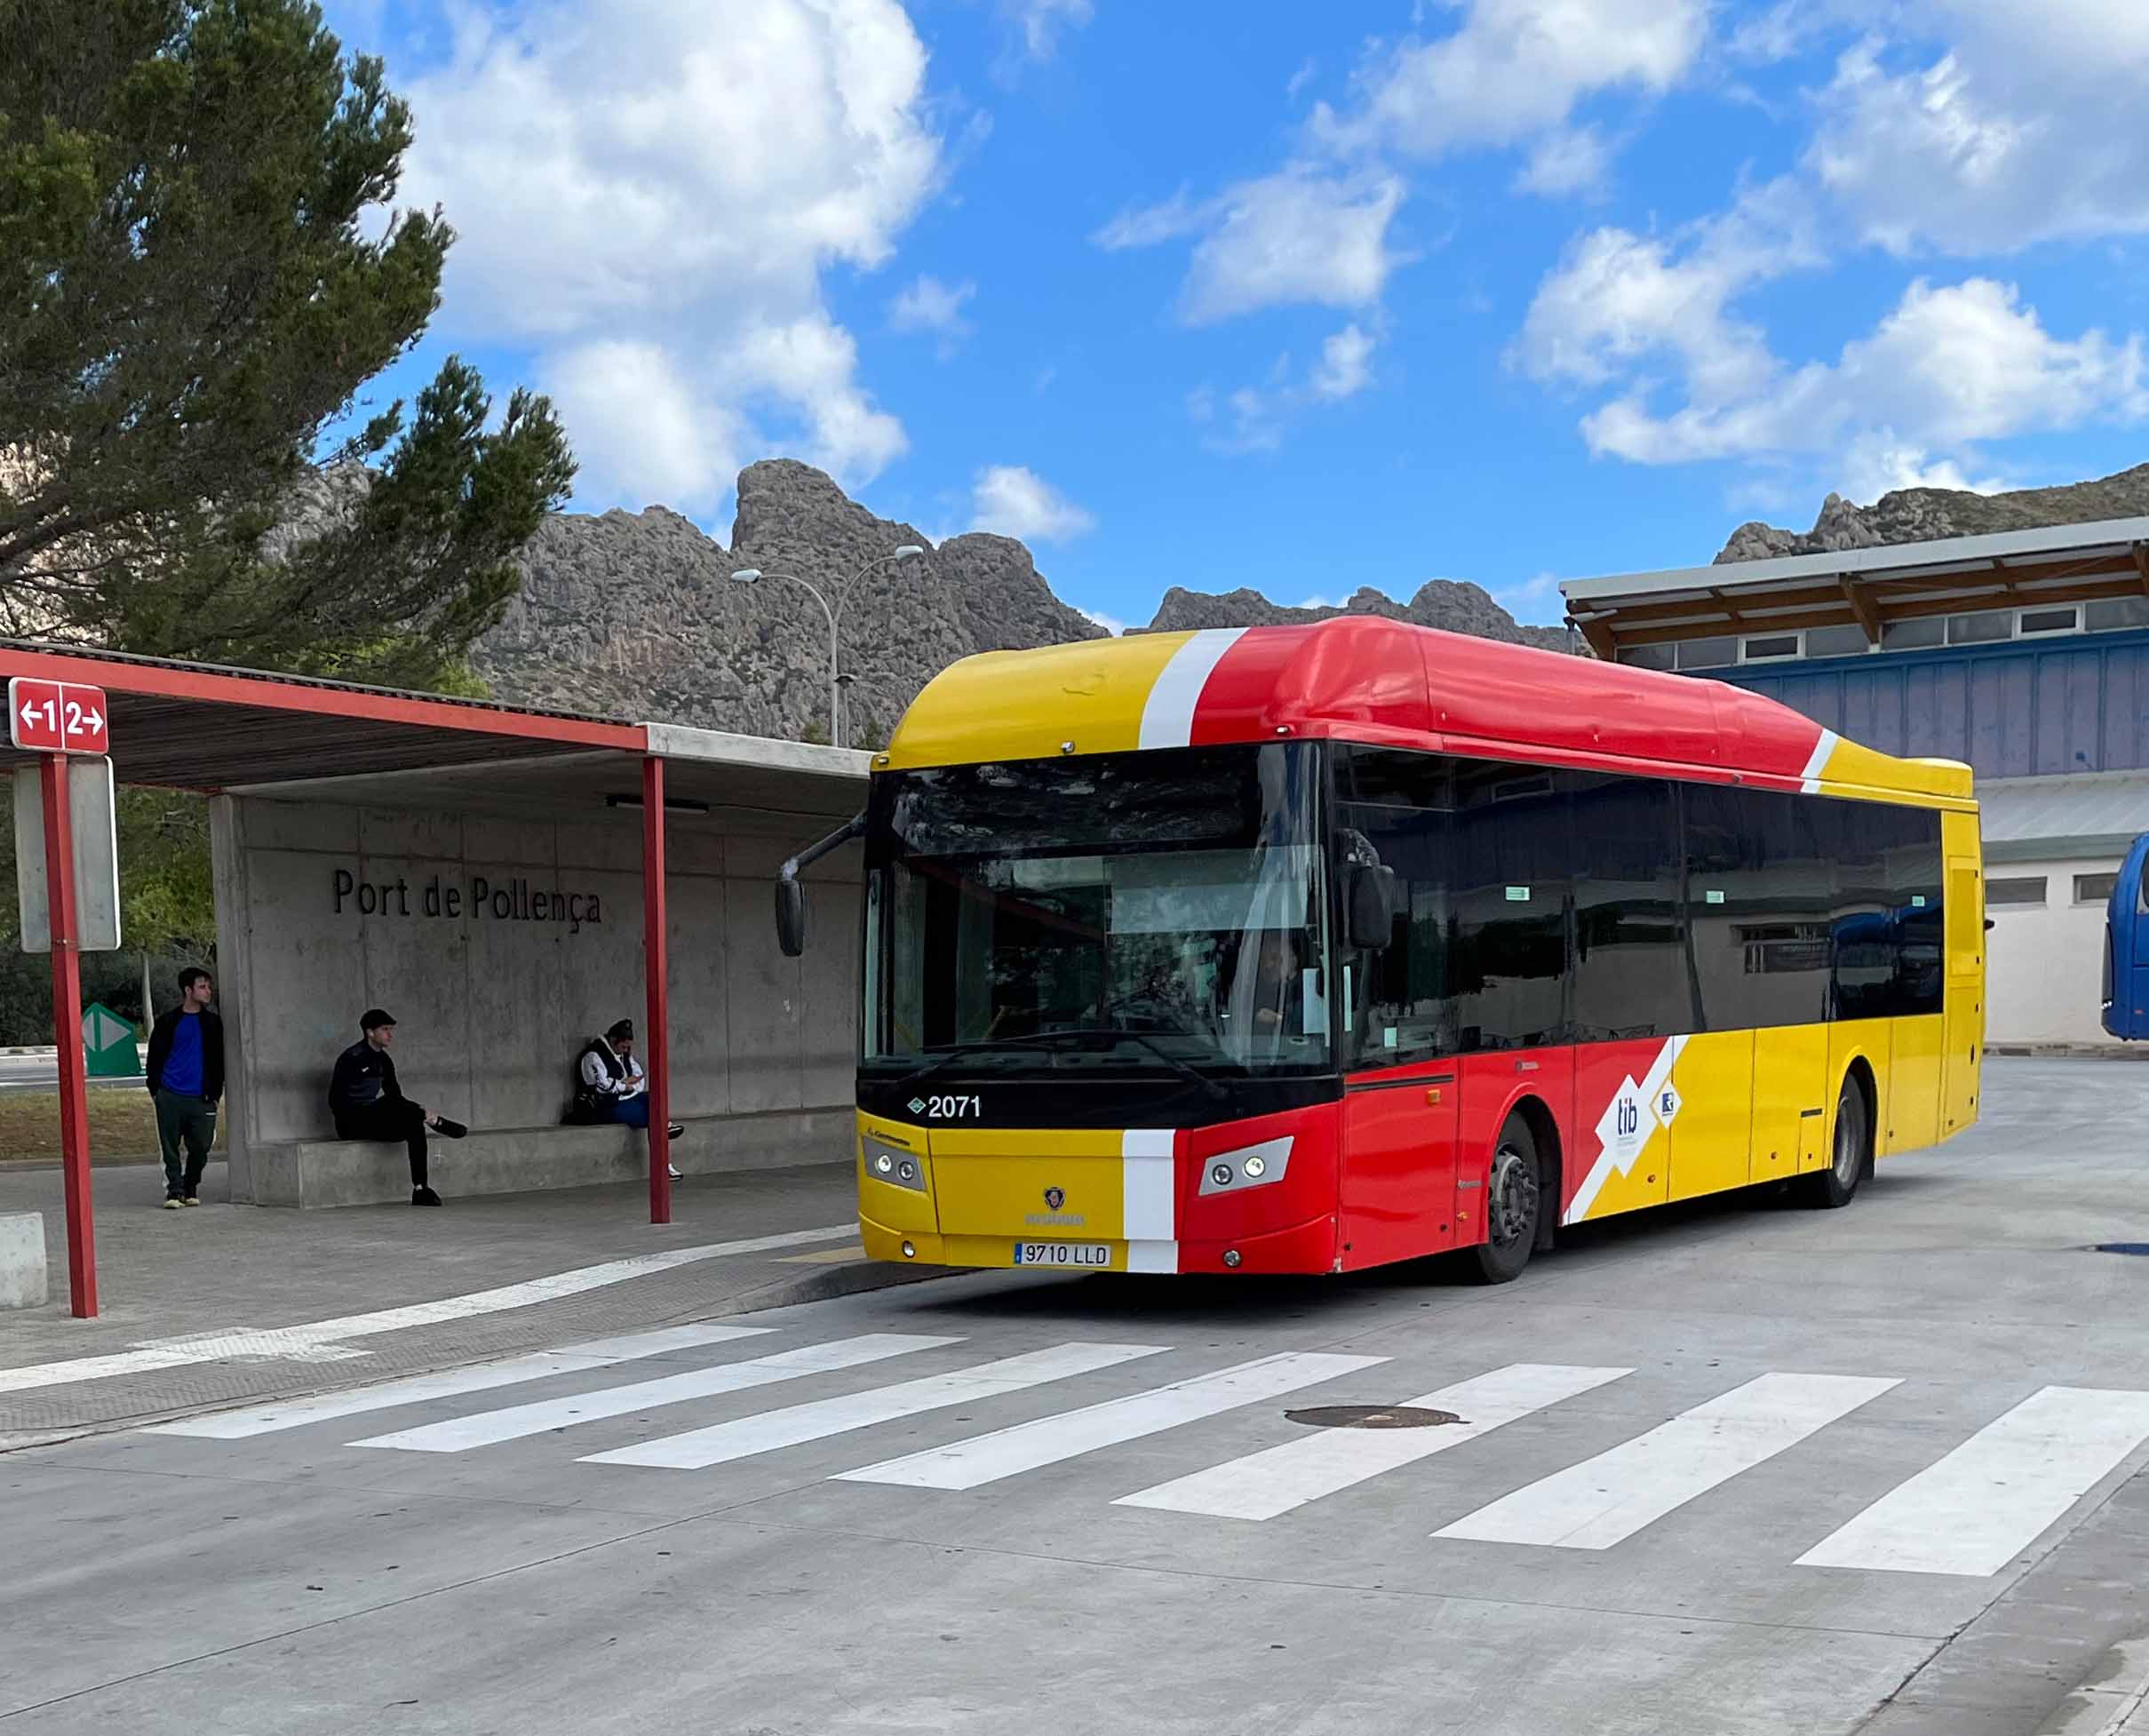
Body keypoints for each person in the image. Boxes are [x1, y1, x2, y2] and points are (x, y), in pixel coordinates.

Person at [328, 1008, 466, 1206]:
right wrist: (363, 1112)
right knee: (389, 1104)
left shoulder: (384, 1060)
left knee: (412, 1122)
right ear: (370, 1032)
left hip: (372, 1120)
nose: (390, 1035)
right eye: (385, 1029)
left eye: (390, 1029)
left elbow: (396, 1097)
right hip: (350, 1123)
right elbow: (334, 1100)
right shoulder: (351, 1058)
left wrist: (409, 1111)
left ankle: (420, 1189)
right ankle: (434, 1119)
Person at [146, 966, 225, 1209]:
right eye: (202, 986)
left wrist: (215, 1092)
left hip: (202, 1096)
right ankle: (174, 1191)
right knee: (169, 1146)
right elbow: (155, 1056)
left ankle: (191, 1185)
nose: (208, 991)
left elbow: (219, 1058)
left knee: (201, 1146)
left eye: (208, 986)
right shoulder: (168, 1022)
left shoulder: (212, 1023)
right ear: (188, 990)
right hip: (170, 1094)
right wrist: (156, 1089)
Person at [575, 1018, 684, 1179]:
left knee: (654, 1099)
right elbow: (602, 1086)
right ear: (613, 1040)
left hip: (624, 1099)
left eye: (628, 1047)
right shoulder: (593, 1055)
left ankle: (664, 1155)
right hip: (603, 1106)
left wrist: (626, 1085)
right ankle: (664, 1165)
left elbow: (638, 1076)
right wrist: (625, 1085)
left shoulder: (624, 1054)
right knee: (655, 1117)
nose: (626, 1050)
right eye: (623, 1046)